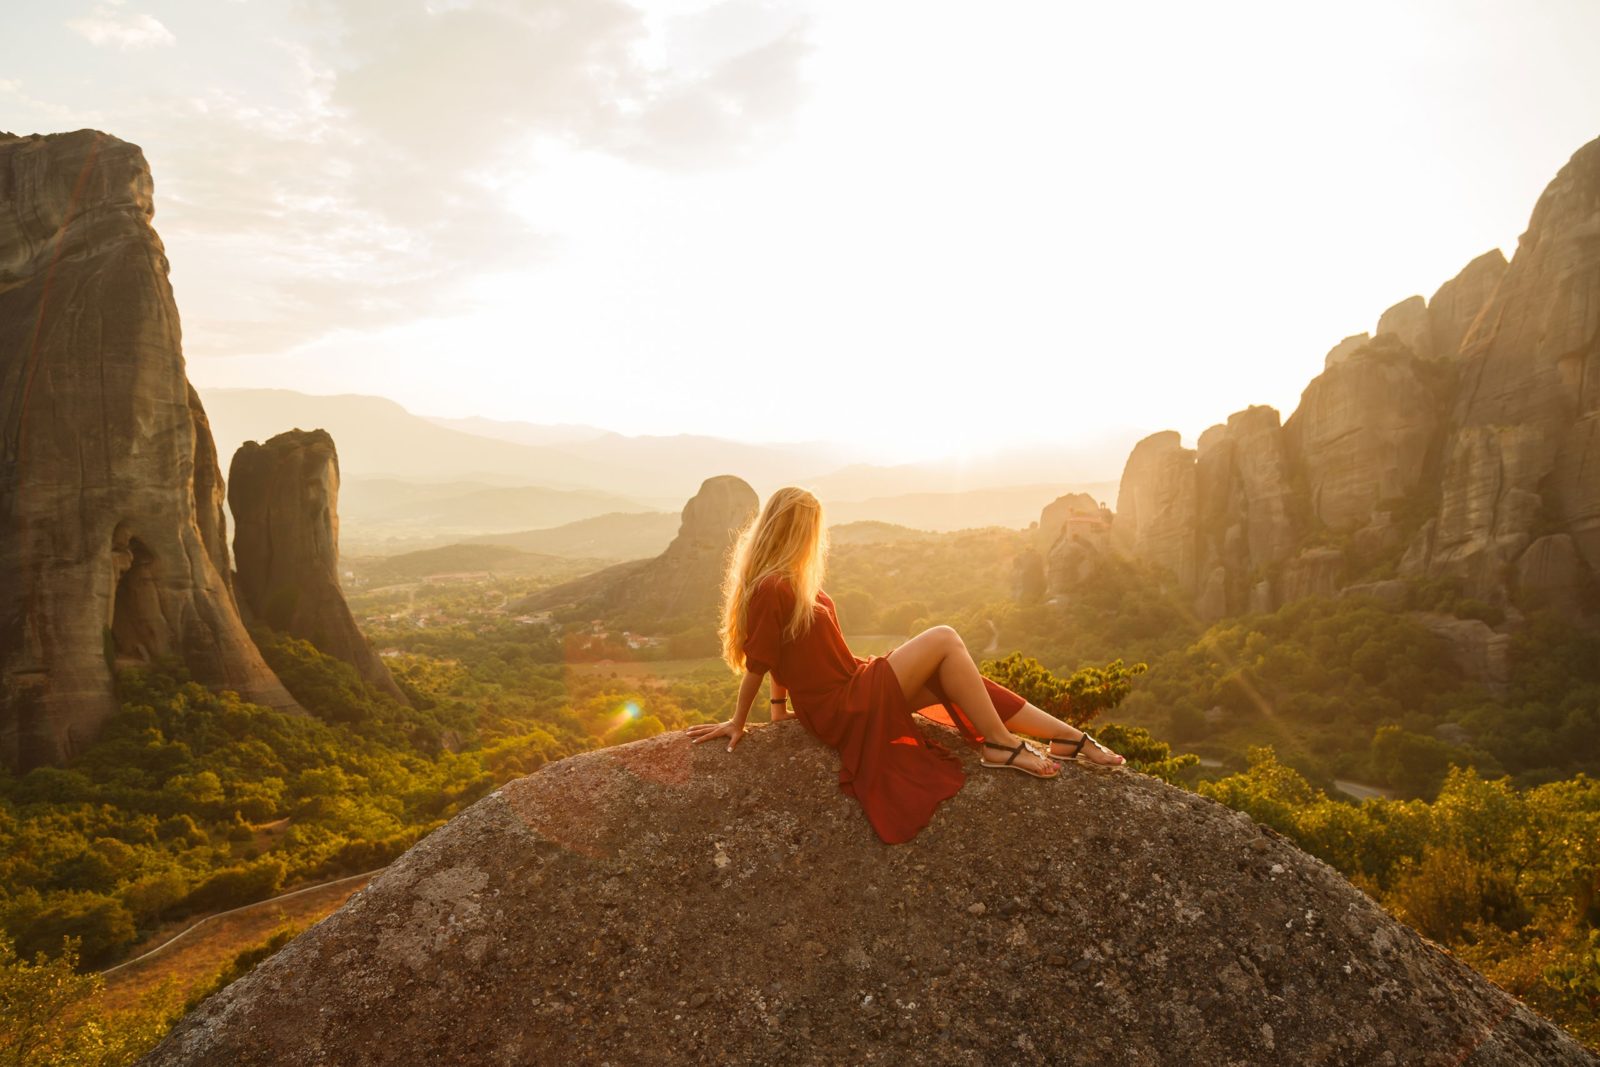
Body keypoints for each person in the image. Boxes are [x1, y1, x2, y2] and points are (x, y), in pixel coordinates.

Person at [686, 486, 1124, 844]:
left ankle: (1069, 738)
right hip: (843, 704)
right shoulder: (772, 586)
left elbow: (785, 653)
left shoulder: (791, 582)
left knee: (958, 677)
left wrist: (780, 710)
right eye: (810, 528)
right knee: (945, 637)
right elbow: (760, 661)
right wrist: (738, 721)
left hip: (853, 683)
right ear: (794, 528)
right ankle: (1001, 744)